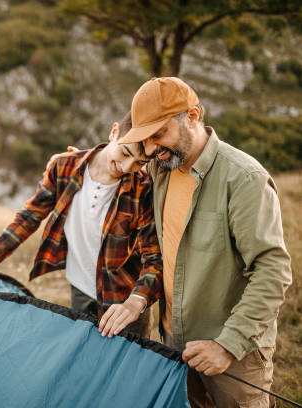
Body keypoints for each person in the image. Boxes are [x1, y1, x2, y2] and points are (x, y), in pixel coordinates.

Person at [117, 77, 292, 407]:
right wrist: (70, 162)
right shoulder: (161, 169)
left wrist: (227, 345)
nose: (151, 148)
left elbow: (273, 271)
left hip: (232, 353)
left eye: (158, 134)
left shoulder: (243, 178)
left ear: (193, 116)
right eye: (146, 139)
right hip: (173, 344)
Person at [0, 112, 163, 338]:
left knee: (126, 370)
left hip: (124, 301)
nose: (126, 167)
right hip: (80, 290)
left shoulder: (142, 189)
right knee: (83, 362)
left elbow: (153, 259)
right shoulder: (64, 167)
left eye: (139, 163)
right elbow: (30, 216)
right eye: (125, 153)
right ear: (114, 132)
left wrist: (136, 302)